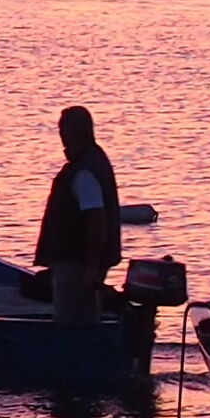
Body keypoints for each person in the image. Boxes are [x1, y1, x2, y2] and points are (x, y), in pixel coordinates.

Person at [33, 105, 122, 323]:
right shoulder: (94, 161)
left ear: (71, 133)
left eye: (62, 130)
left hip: (76, 265)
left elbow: (96, 218)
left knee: (72, 323)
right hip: (79, 263)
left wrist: (91, 267)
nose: (60, 136)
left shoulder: (84, 171)